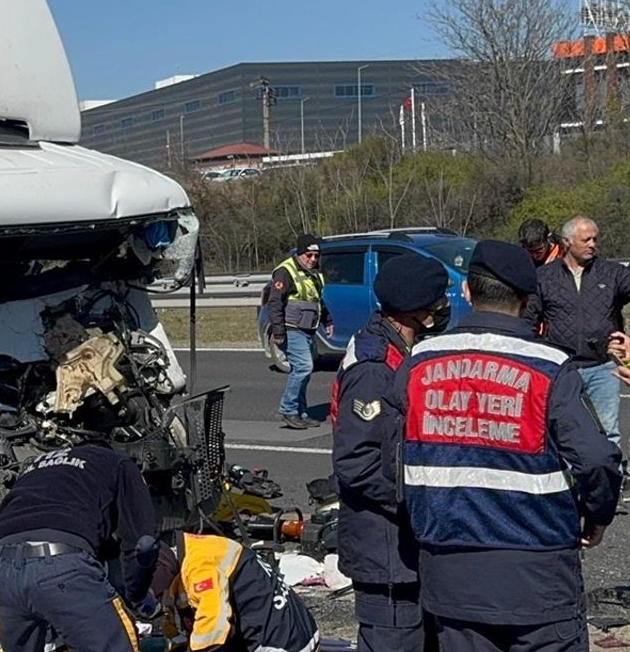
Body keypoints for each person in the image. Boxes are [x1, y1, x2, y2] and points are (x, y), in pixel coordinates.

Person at [397, 240, 623, 652]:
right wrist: (598, 515)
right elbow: (597, 458)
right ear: (528, 298)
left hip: (448, 572)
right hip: (537, 574)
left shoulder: (419, 361)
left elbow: (391, 457)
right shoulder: (549, 366)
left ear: (466, 291)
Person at [330, 254, 449, 652]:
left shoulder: (399, 349)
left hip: (403, 549)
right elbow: (356, 462)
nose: (443, 307)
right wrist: (420, 501)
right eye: (437, 302)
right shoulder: (374, 369)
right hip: (385, 553)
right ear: (416, 310)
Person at [0, 445, 159, 652]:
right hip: (60, 565)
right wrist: (135, 594)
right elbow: (144, 544)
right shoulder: (119, 463)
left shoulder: (35, 465)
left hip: (0, 568)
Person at [524, 216, 630, 454]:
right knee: (563, 429)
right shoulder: (545, 277)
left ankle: (613, 481)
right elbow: (529, 320)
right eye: (586, 239)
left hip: (603, 366)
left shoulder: (612, 273)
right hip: (562, 370)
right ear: (567, 242)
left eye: (595, 239)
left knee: (608, 430)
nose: (592, 244)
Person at [152, 532, 319, 652]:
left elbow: (212, 632)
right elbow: (178, 624)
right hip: (295, 630)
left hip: (283, 643)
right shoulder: (194, 549)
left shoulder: (199, 568)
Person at [267, 233, 333, 429]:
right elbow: (275, 303)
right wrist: (278, 331)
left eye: (315, 255)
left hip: (308, 330)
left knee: (304, 371)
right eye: (308, 255)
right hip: (291, 329)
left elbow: (317, 302)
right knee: (304, 367)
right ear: (300, 254)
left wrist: (327, 320)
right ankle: (288, 409)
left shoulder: (315, 275)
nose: (312, 259)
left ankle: (301, 412)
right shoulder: (285, 272)